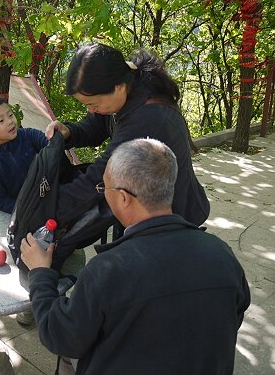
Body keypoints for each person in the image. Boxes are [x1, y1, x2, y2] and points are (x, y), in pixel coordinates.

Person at [21, 138, 251, 375]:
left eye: (104, 189)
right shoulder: (222, 254)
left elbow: (60, 337)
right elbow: (234, 316)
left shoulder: (107, 269)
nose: (103, 195)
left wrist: (40, 274)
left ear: (123, 197)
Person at [46, 43, 210, 236]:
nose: (91, 109)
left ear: (118, 87)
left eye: (94, 103)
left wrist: (49, 211)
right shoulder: (128, 89)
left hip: (171, 217)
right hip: (139, 202)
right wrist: (70, 132)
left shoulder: (149, 117)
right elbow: (94, 127)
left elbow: (101, 174)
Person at [0, 95, 48, 214]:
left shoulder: (30, 136)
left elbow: (52, 148)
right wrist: (23, 209)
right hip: (28, 213)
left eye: (10, 115)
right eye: (1, 121)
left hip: (55, 196)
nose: (10, 122)